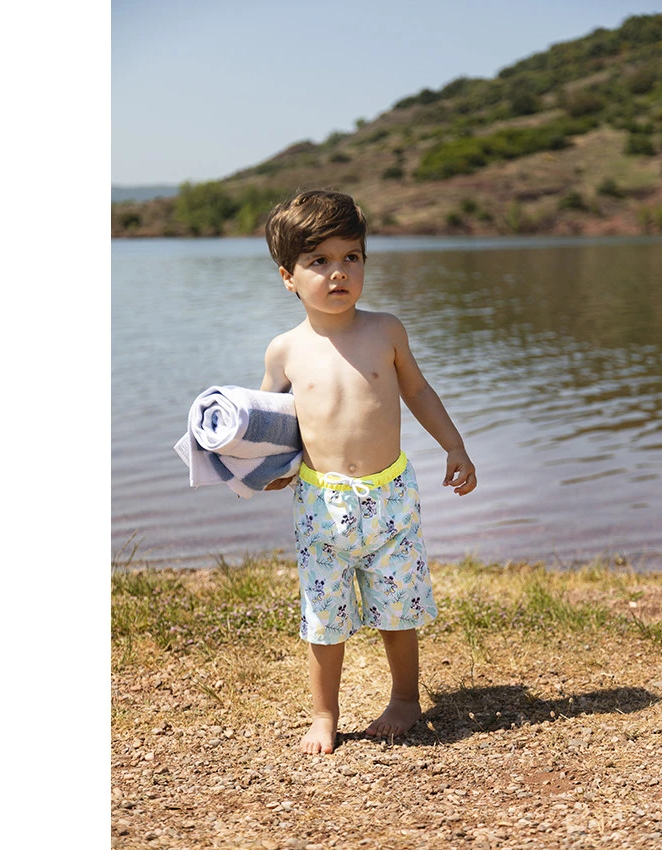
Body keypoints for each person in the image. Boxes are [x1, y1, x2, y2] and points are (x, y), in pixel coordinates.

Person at [259, 189, 477, 754]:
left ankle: (405, 698)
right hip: (321, 503)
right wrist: (266, 471)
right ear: (288, 277)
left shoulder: (386, 330)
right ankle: (324, 714)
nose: (338, 272)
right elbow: (268, 425)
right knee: (323, 612)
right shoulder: (284, 350)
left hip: (389, 497)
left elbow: (418, 392)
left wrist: (454, 445)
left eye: (350, 257)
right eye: (319, 260)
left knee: (397, 605)